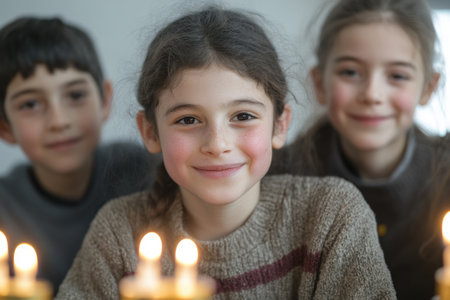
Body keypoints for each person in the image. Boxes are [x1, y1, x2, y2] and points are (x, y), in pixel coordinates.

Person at [55, 7, 395, 299]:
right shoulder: (118, 236)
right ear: (150, 131)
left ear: (279, 125)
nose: (217, 144)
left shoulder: (331, 217)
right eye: (188, 119)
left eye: (243, 117)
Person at [269, 0, 445, 298]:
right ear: (320, 83)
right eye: (350, 72)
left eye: (397, 76)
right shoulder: (279, 179)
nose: (372, 94)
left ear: (428, 87)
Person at [0, 16, 159, 294]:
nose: (58, 121)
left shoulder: (143, 171)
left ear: (105, 100)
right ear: (5, 127)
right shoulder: (5, 208)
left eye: (75, 95)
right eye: (31, 103)